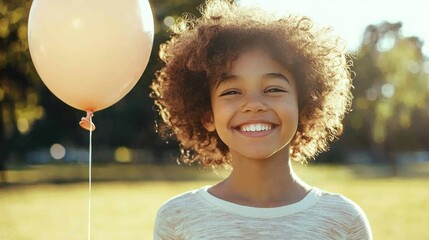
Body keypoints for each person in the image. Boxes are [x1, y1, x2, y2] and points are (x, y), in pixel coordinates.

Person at [151, 0, 372, 239]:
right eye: (232, 92)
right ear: (208, 115)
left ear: (303, 106)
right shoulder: (177, 219)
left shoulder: (344, 220)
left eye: (273, 89)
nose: (254, 105)